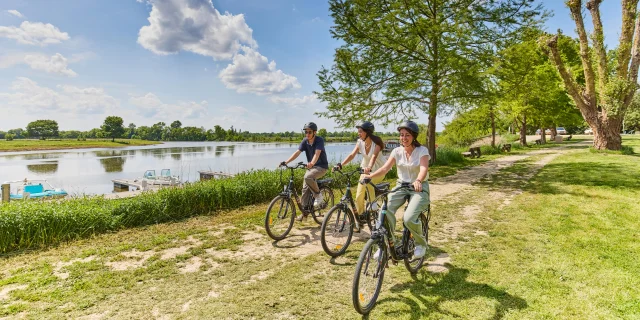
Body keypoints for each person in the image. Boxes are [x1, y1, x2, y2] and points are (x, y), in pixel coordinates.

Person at [362, 120, 429, 258]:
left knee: (409, 218)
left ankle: (420, 244)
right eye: (401, 135)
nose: (403, 138)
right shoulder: (396, 151)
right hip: (401, 185)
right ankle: (386, 244)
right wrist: (370, 176)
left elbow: (423, 168)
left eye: (407, 135)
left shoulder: (422, 151)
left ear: (414, 136)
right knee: (384, 212)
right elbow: (385, 168)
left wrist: (418, 180)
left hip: (418, 187)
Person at [333, 121, 387, 221]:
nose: (359, 133)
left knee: (368, 179)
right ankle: (361, 216)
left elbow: (373, 157)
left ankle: (372, 203)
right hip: (365, 171)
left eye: (361, 131)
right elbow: (352, 155)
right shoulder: (360, 142)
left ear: (368, 132)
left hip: (379, 170)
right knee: (358, 196)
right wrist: (340, 165)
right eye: (358, 131)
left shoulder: (376, 144)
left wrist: (369, 167)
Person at [280, 122, 329, 220]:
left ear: (314, 132)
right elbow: (297, 152)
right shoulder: (305, 141)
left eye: (309, 132)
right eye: (306, 132)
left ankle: (318, 195)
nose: (307, 134)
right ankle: (304, 213)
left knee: (308, 177)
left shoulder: (319, 140)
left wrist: (311, 163)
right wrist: (286, 161)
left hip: (321, 167)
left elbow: (317, 154)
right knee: (304, 190)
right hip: (311, 168)